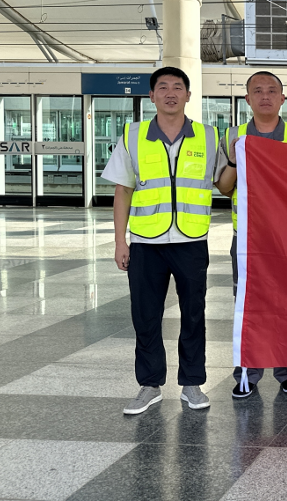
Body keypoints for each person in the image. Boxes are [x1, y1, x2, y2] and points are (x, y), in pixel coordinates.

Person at [106, 66, 222, 415]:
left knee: (194, 314)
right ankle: (150, 384)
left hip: (190, 241)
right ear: (152, 96)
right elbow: (122, 191)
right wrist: (120, 241)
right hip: (146, 242)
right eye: (162, 87)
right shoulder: (133, 135)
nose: (170, 93)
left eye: (177, 87)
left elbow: (226, 182)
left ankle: (192, 383)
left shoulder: (209, 137)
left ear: (188, 95)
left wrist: (244, 155)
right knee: (145, 315)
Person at [215, 71, 287, 399]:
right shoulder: (233, 136)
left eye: (272, 91)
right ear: (247, 99)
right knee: (248, 304)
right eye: (257, 91)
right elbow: (223, 186)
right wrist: (232, 157)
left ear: (283, 98)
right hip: (247, 238)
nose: (265, 96)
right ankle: (247, 371)